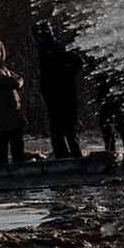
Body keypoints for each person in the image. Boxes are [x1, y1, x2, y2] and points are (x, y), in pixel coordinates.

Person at [31, 11, 84, 162]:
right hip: (53, 96)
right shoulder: (44, 51)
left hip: (63, 96)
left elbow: (77, 61)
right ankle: (62, 156)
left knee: (67, 129)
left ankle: (74, 157)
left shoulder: (55, 49)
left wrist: (67, 76)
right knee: (57, 130)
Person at [91, 60, 124, 171]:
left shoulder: (115, 61)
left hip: (116, 94)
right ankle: (114, 154)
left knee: (119, 124)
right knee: (109, 125)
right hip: (110, 94)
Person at [0, 41, 27, 168]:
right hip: (3, 112)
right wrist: (17, 82)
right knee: (3, 140)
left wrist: (18, 81)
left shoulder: (4, 69)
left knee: (17, 141)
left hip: (13, 111)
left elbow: (18, 79)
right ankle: (2, 166)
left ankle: (19, 164)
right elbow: (13, 82)